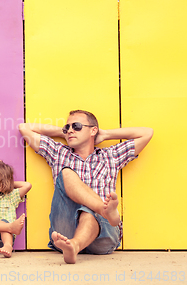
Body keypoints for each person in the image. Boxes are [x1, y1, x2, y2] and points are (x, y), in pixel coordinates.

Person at [18, 110, 153, 264]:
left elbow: (147, 133)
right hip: (65, 232)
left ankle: (82, 234)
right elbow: (24, 128)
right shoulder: (59, 153)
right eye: (66, 127)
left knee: (89, 212)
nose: (70, 130)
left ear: (93, 130)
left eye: (76, 126)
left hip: (103, 234)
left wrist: (105, 134)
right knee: (67, 173)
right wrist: (64, 134)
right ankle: (100, 213)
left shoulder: (110, 156)